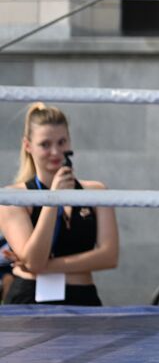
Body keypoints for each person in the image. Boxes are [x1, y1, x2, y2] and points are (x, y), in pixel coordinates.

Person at [0, 103, 118, 306]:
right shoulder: (13, 197)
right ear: (28, 146)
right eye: (45, 144)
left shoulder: (95, 192)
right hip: (29, 299)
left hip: (83, 298)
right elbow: (35, 260)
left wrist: (45, 267)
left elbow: (109, 256)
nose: (55, 152)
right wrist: (53, 199)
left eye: (62, 142)